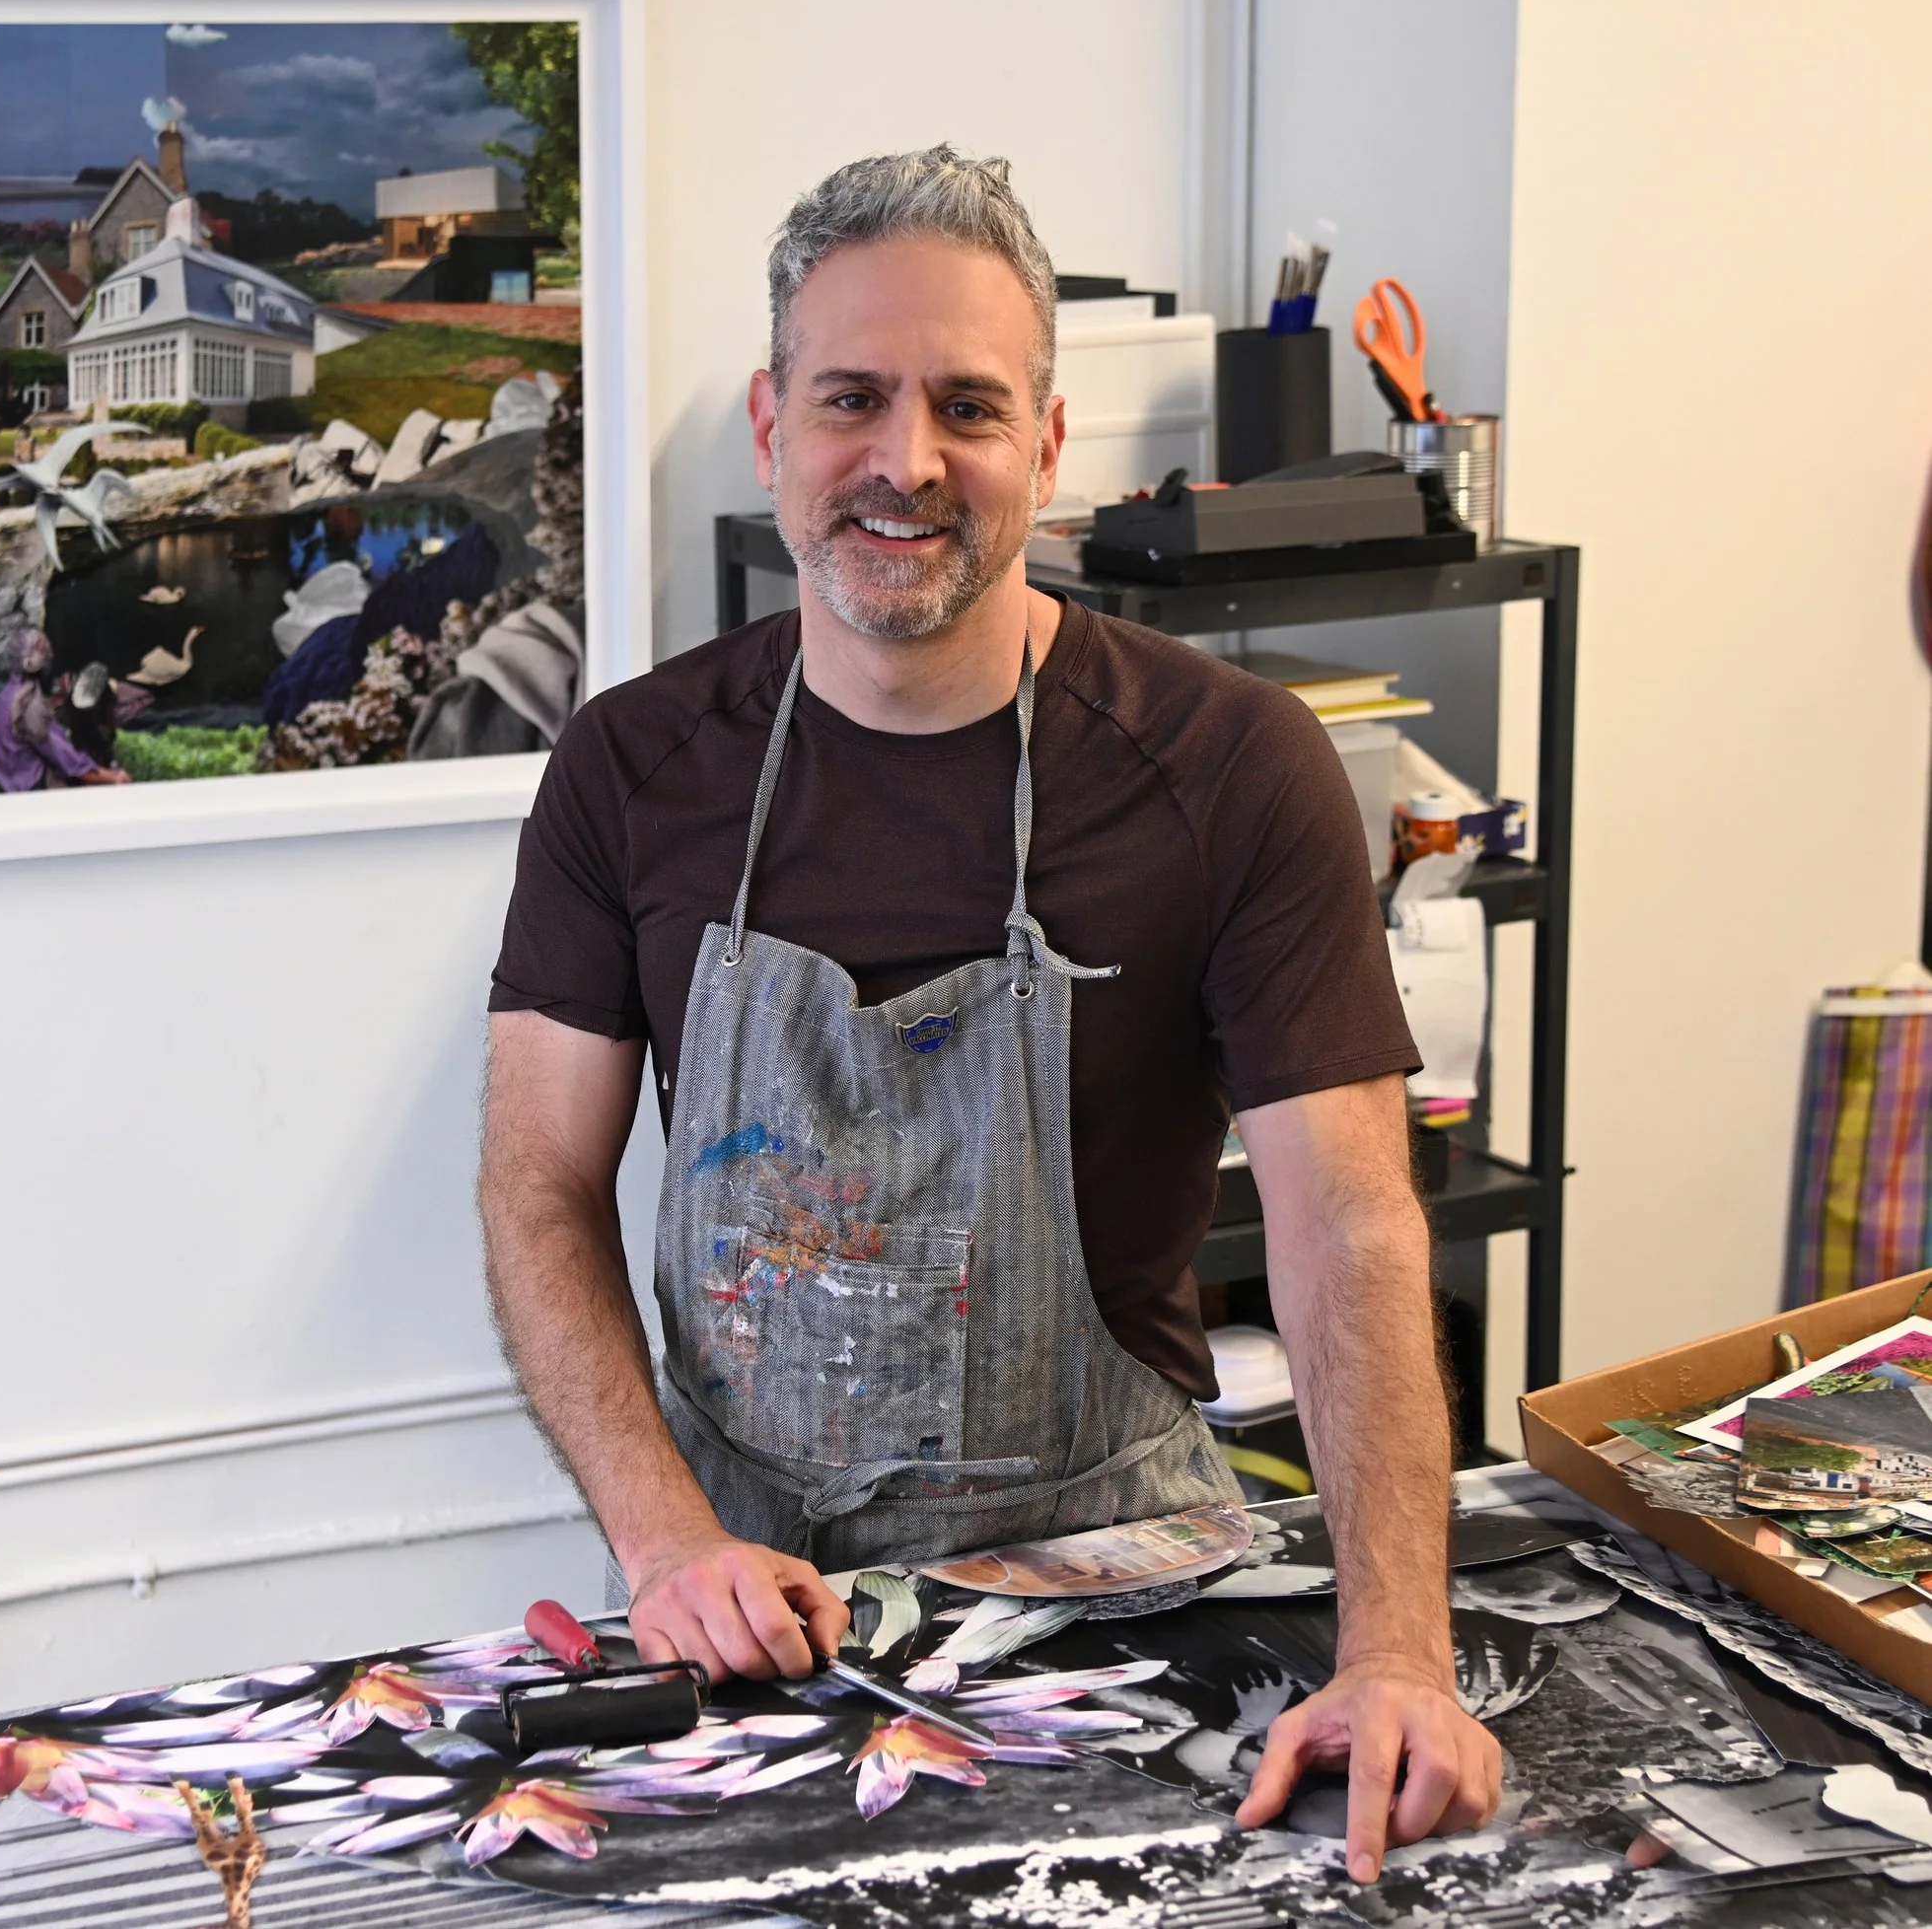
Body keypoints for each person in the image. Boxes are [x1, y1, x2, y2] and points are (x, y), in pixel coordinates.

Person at [476, 145, 1503, 1881]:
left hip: (1117, 1601)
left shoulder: (1230, 769)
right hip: (736, 1609)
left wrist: (1396, 1642)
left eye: (966, 405)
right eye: (851, 400)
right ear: (770, 425)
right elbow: (536, 1190)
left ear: (1044, 439)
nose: (905, 463)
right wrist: (661, 1544)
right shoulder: (631, 766)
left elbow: (1349, 1222)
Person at [0, 628, 128, 792]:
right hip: (38, 795)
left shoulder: (4, 698)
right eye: (44, 651)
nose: (49, 656)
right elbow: (72, 764)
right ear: (31, 663)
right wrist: (115, 777)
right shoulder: (29, 706)